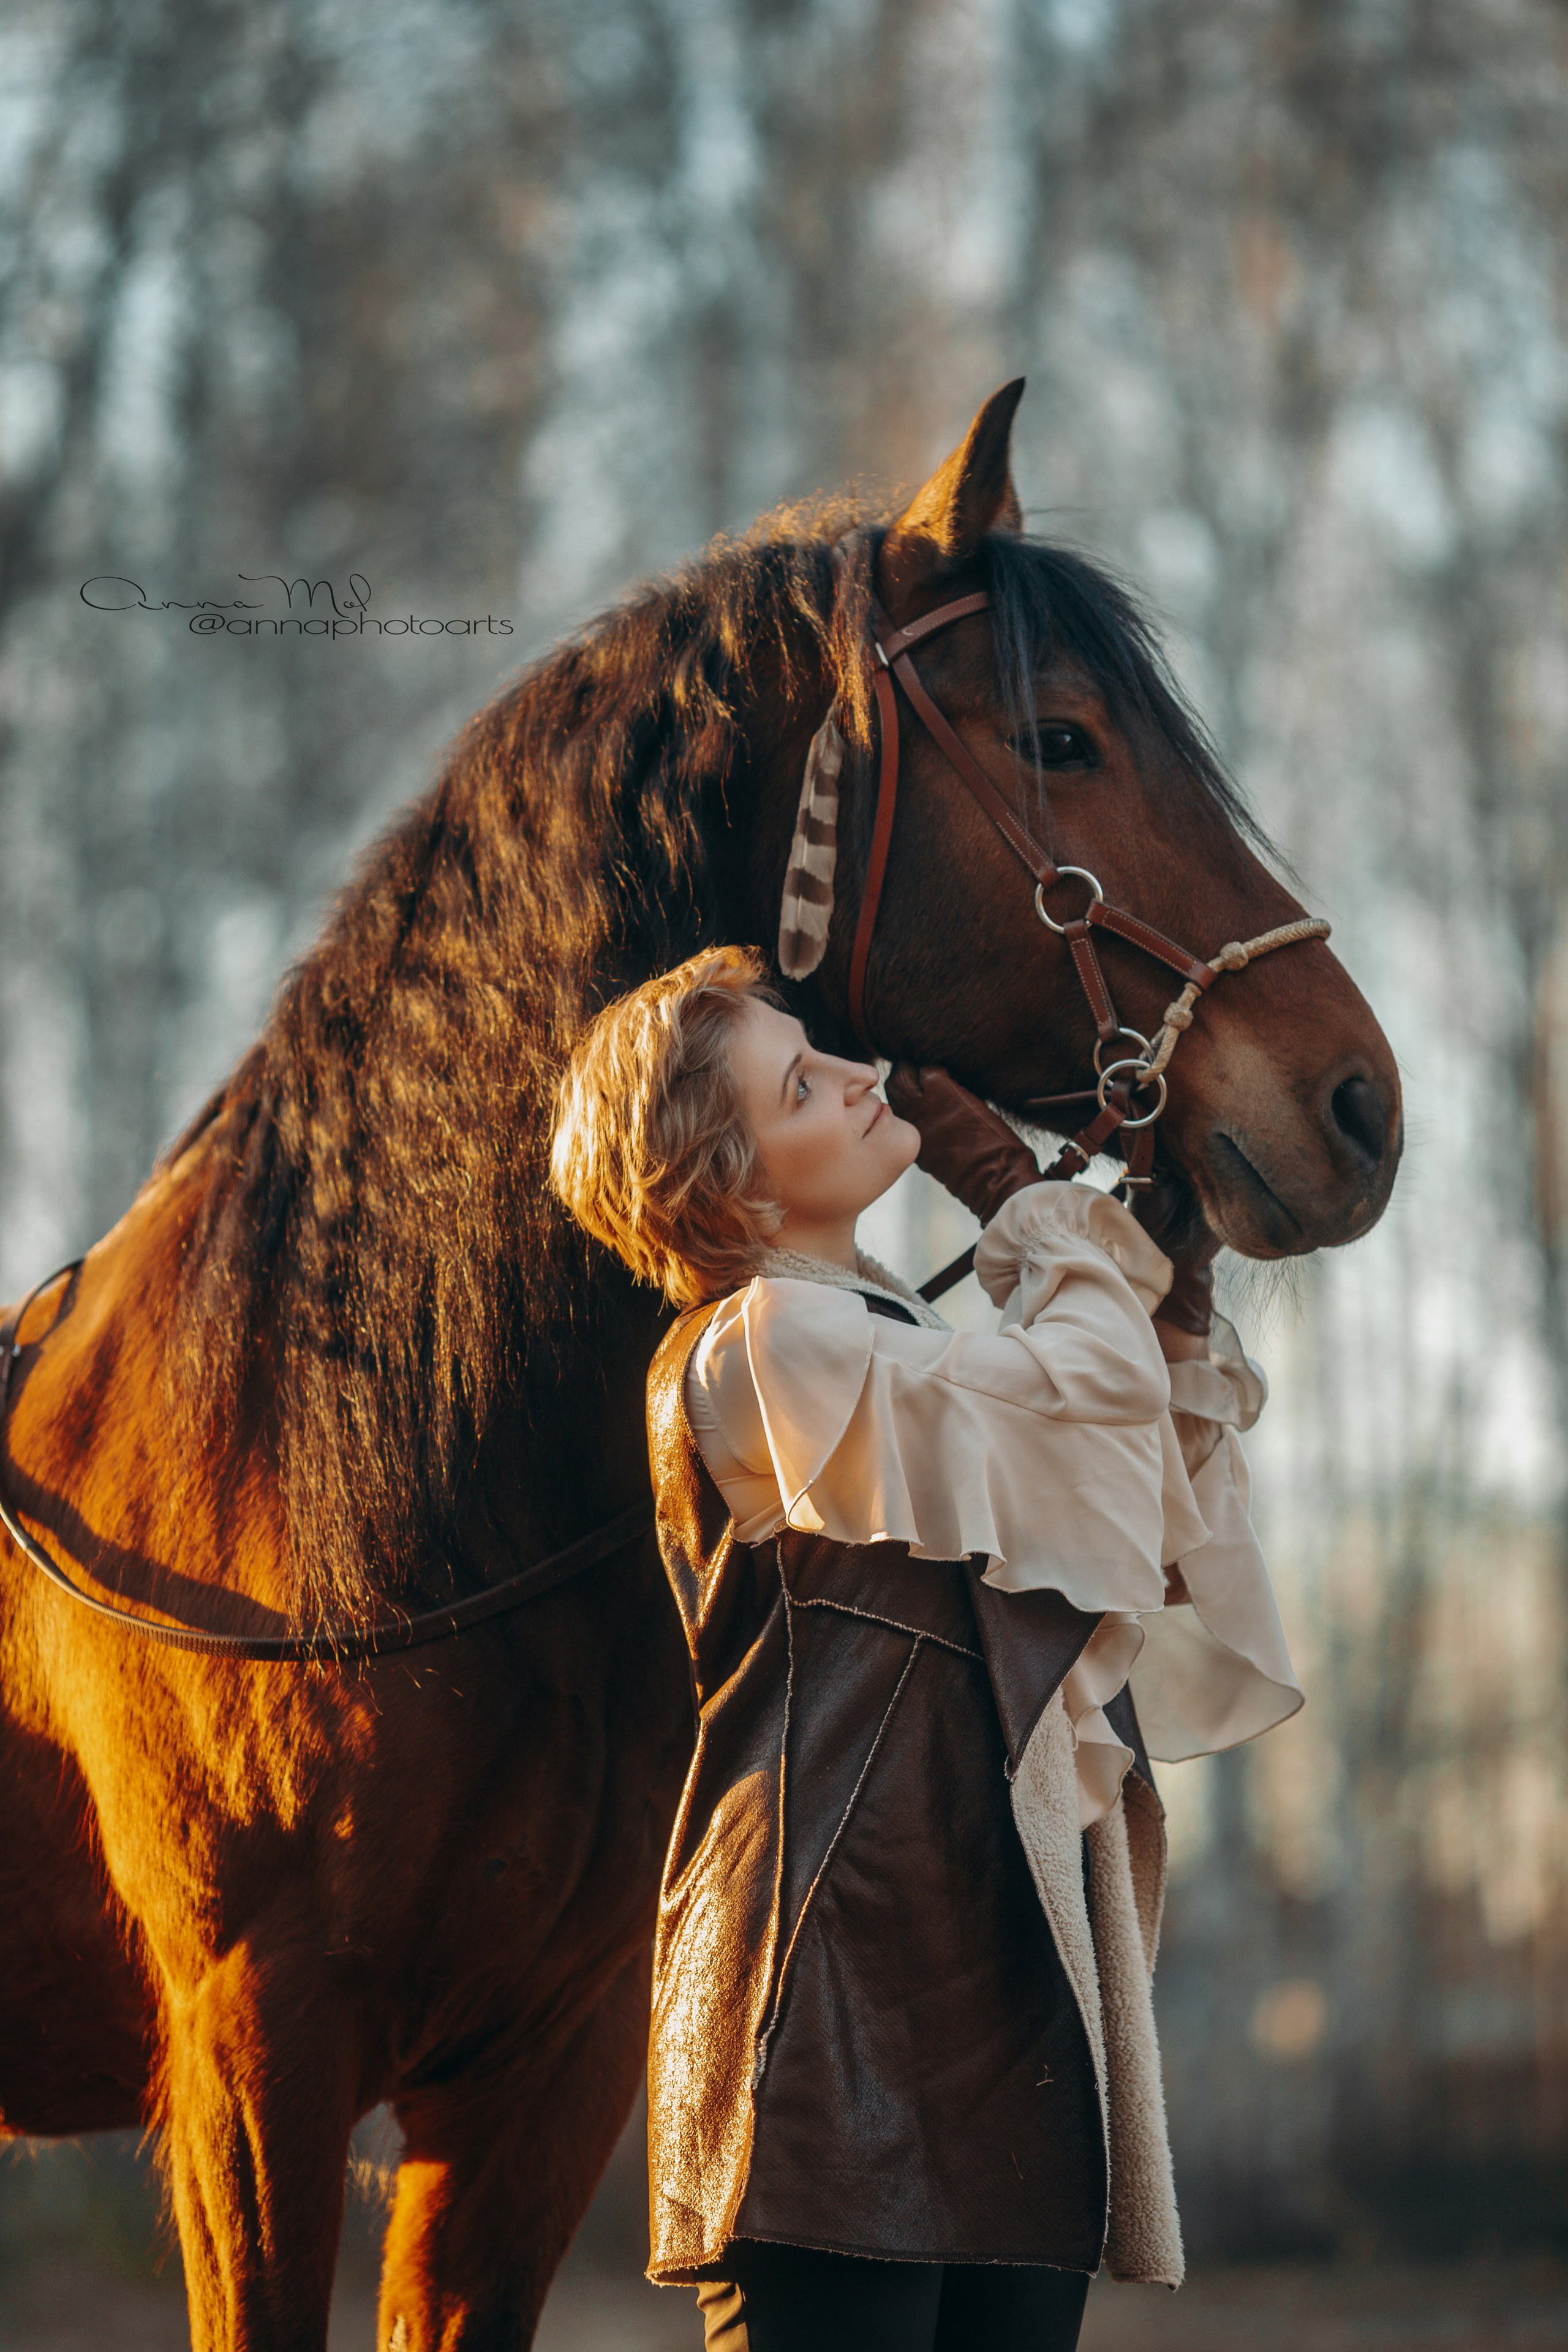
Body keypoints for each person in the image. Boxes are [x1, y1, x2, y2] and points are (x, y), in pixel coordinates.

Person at [549, 945, 1301, 2352]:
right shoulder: (756, 1345)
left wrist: (1167, 1306)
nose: (859, 1072)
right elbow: (1071, 1404)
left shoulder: (886, 1340)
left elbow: (1137, 1513)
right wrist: (1026, 1208)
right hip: (828, 2002)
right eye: (802, 1082)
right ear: (730, 1185)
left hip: (999, 1983)